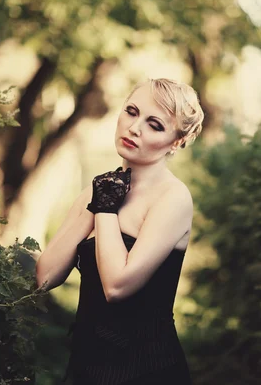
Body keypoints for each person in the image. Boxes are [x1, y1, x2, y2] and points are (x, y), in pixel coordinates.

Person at [35, 78, 204, 385]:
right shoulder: (99, 189)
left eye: (154, 124)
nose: (134, 128)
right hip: (85, 367)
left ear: (176, 141)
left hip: (146, 370)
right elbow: (45, 278)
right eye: (131, 111)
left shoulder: (173, 198)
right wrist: (97, 203)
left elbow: (117, 287)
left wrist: (105, 209)